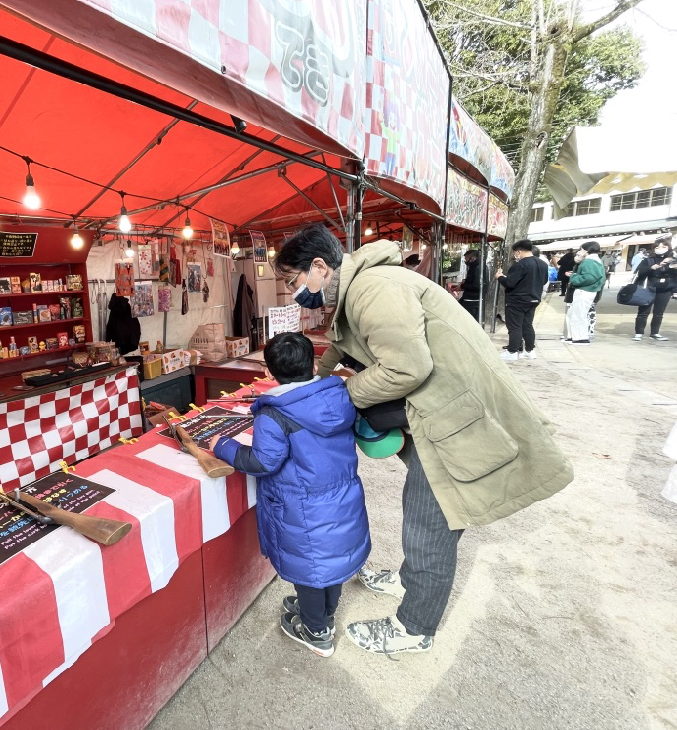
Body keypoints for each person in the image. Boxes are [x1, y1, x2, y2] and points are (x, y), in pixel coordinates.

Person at [272, 225, 573, 655]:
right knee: (429, 515)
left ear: (319, 267)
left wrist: (337, 398)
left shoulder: (372, 289)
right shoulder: (362, 288)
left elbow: (407, 367)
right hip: (439, 416)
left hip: (451, 419)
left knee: (429, 524)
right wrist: (309, 388)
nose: (292, 291)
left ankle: (414, 627)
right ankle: (409, 581)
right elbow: (340, 348)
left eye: (292, 281)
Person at [208, 332, 370, 658]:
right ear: (312, 364)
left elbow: (262, 462)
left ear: (268, 373)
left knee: (309, 569)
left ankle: (317, 631)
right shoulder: (338, 396)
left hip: (302, 509)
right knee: (330, 562)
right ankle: (324, 613)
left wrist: (223, 446)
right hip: (342, 499)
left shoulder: (274, 415)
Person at [495, 240, 543, 361]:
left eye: (515, 253)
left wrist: (500, 277)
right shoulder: (542, 264)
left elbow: (510, 283)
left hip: (517, 300)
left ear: (518, 251)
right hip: (534, 298)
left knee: (515, 326)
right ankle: (530, 350)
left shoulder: (519, 265)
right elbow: (543, 280)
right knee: (527, 325)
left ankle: (512, 351)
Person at [633, 236, 677, 341]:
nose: (660, 249)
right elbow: (638, 273)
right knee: (643, 311)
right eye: (657, 247)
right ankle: (639, 333)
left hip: (665, 289)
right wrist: (650, 268)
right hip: (649, 287)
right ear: (654, 249)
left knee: (659, 313)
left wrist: (675, 290)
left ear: (669, 248)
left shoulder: (672, 261)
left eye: (663, 246)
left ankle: (654, 333)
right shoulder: (648, 260)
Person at [563, 241, 605, 345]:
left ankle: (580, 338)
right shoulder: (595, 260)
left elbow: (589, 277)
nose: (580, 252)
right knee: (576, 313)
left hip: (584, 290)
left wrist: (573, 277)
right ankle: (574, 336)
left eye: (581, 249)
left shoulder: (589, 261)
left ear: (587, 250)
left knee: (579, 315)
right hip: (588, 290)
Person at [458, 249, 485, 322]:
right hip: (471, 297)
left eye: (466, 259)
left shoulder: (477, 268)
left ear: (472, 258)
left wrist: (463, 286)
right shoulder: (476, 267)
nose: (466, 261)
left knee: (469, 319)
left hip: (472, 299)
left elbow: (476, 285)